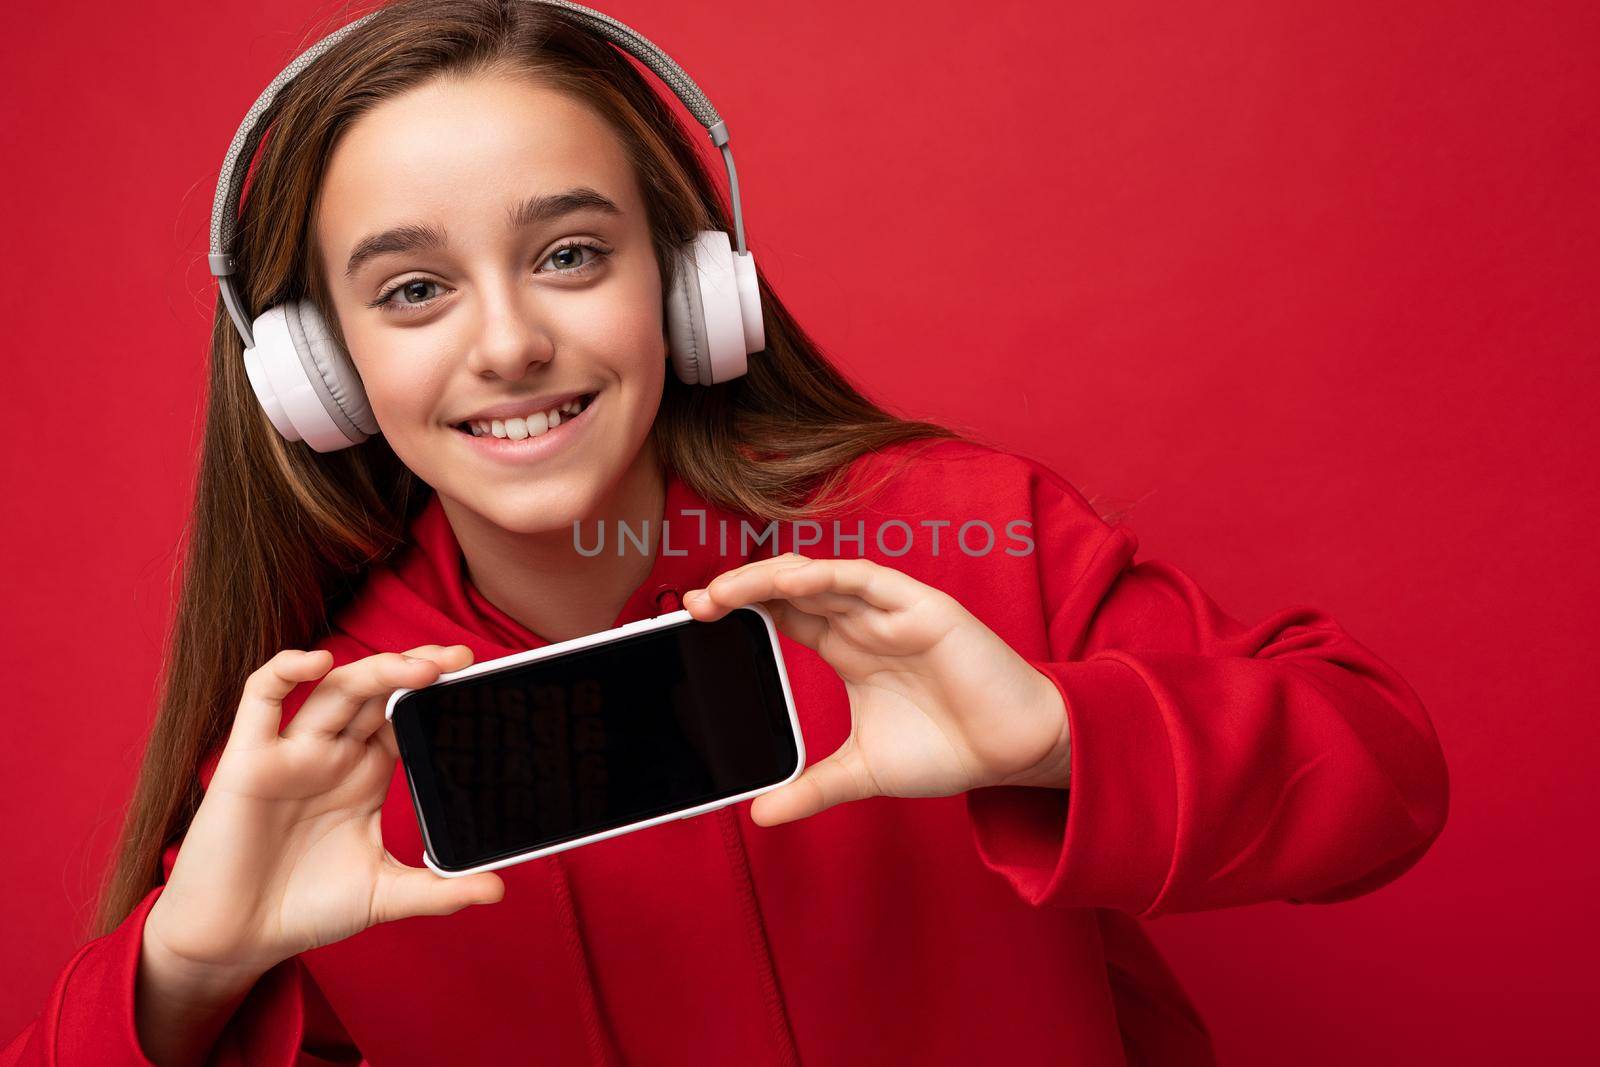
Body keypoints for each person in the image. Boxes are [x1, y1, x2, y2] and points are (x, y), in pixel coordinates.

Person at [0, 1, 1449, 1064]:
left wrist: (1058, 737)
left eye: (571, 255)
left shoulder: (954, 538)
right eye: (413, 291)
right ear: (315, 378)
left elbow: (1384, 779)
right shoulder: (320, 744)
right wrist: (188, 971)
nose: (508, 342)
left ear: (693, 288)